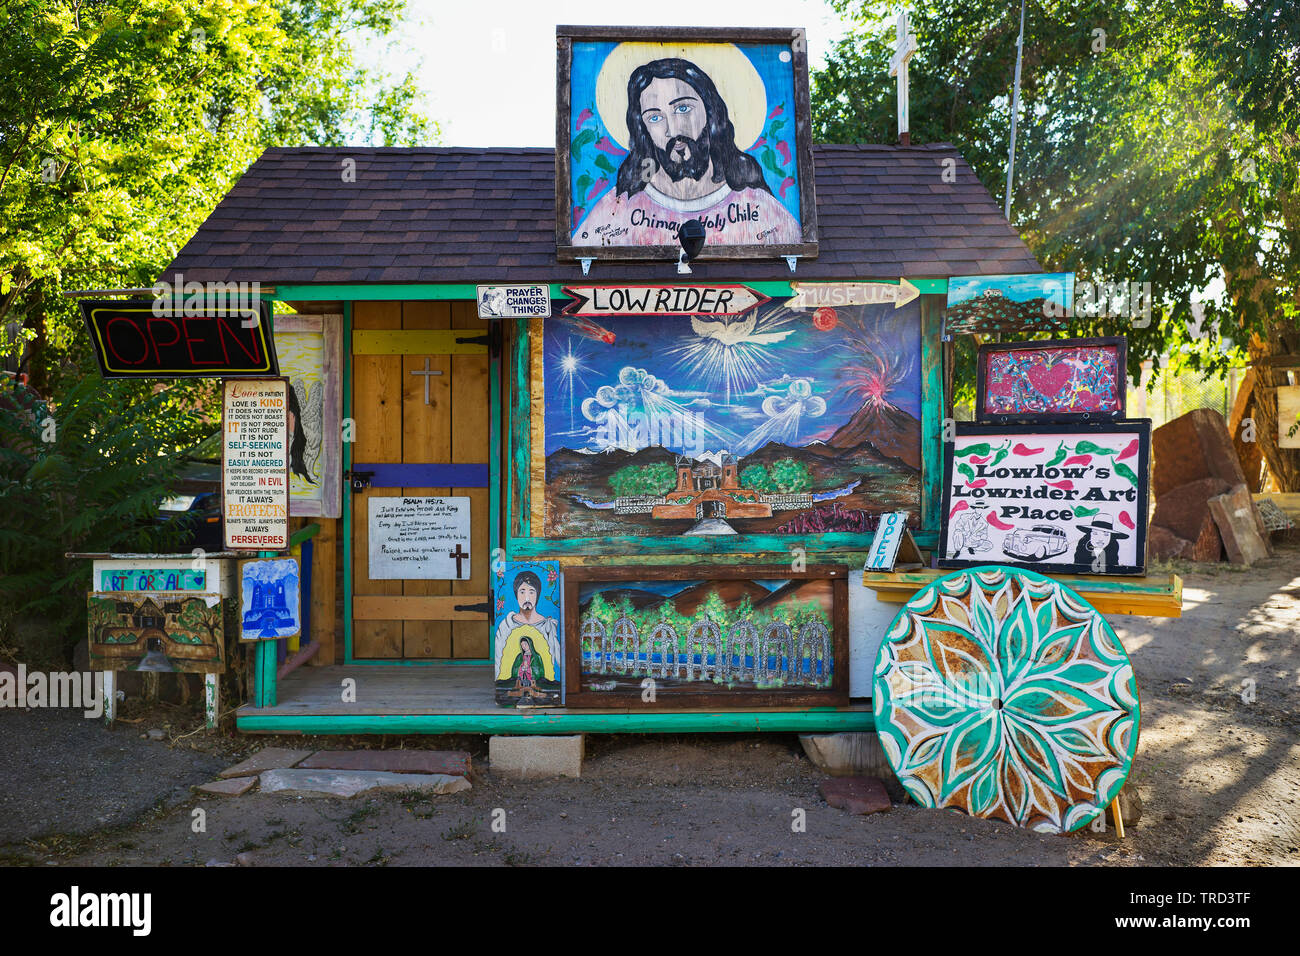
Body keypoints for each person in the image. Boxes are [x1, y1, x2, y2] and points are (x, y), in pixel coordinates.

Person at [575, 58, 801, 247]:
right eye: (654, 117)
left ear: (710, 111)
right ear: (643, 129)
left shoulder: (758, 207)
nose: (672, 130)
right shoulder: (619, 209)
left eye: (683, 109)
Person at [493, 570, 561, 680]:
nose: (527, 598)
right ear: (516, 594)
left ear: (537, 595)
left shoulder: (547, 626)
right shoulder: (507, 625)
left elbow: (558, 659)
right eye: (522, 592)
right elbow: (498, 661)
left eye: (532, 592)